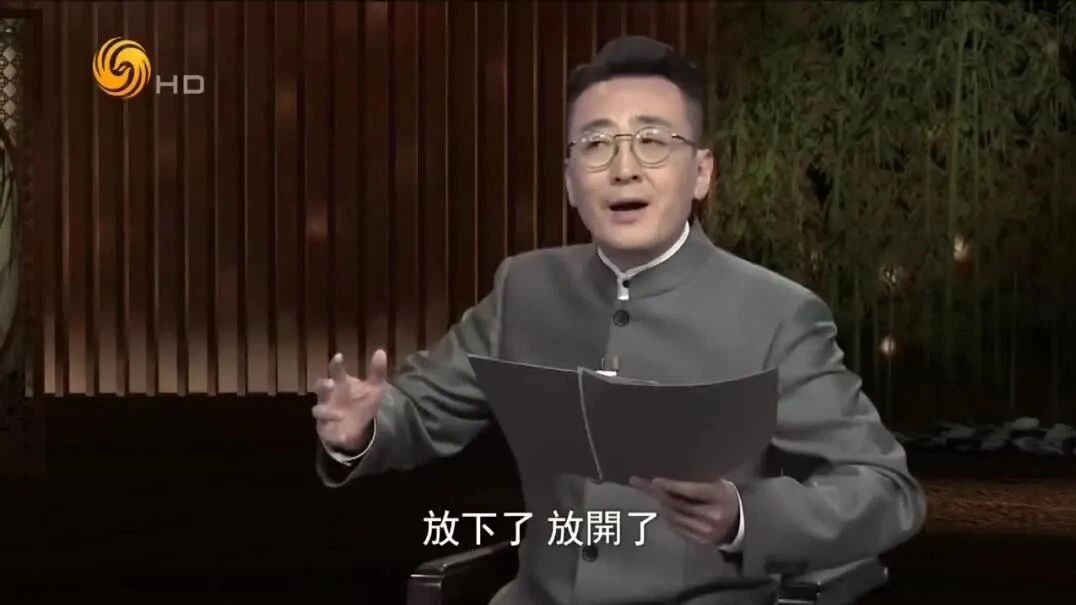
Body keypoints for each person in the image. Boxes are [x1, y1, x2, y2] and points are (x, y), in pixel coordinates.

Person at [311, 35, 926, 605]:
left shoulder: (777, 314)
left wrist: (744, 516)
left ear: (702, 173)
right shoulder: (524, 288)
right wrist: (361, 429)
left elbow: (886, 491)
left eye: (653, 141)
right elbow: (420, 411)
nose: (623, 168)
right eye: (596, 144)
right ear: (570, 182)